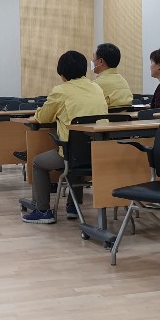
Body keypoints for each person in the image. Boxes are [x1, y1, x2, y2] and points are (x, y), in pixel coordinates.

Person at [22, 50, 107, 224]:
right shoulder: (96, 87)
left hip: (73, 155)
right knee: (79, 151)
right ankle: (73, 207)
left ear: (62, 74)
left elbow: (43, 117)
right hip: (99, 151)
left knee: (38, 163)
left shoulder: (60, 91)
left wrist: (38, 112)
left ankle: (43, 211)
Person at [92, 43, 133, 109]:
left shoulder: (96, 85)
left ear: (100, 61)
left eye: (93, 57)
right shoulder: (124, 82)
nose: (92, 61)